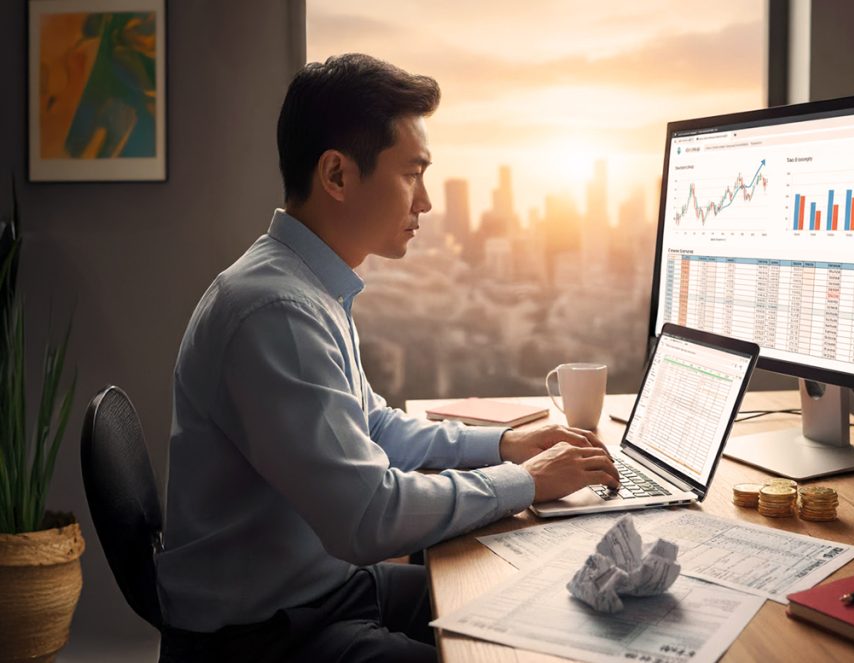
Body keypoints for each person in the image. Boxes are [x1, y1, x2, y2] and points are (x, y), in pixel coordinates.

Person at [156, 53, 620, 662]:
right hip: (263, 636)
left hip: (318, 591)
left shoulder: (306, 287)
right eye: (412, 174)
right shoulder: (276, 311)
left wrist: (504, 445)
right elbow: (368, 517)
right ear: (337, 176)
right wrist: (526, 480)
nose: (424, 202)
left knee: (526, 600)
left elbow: (372, 426)